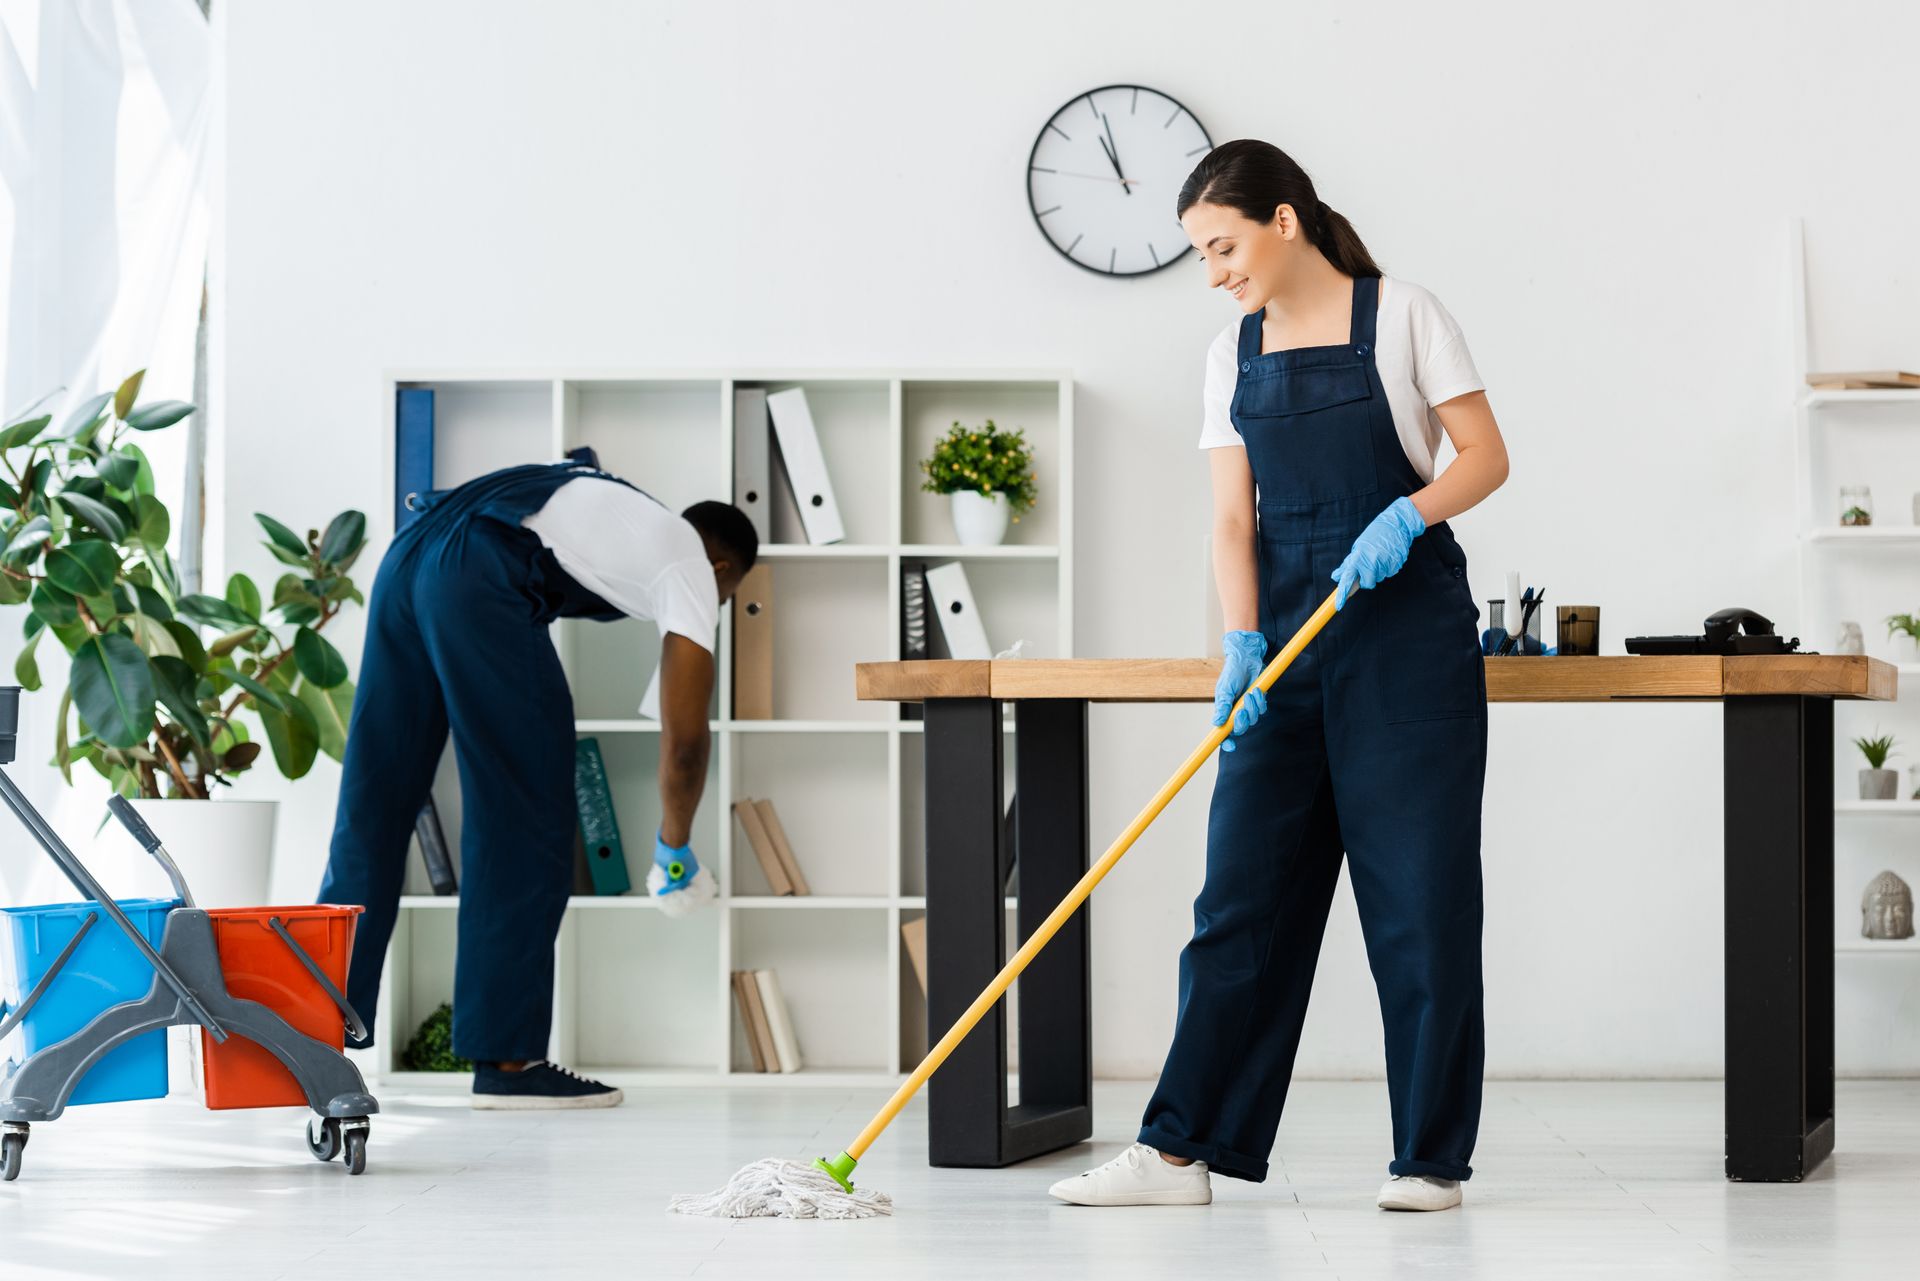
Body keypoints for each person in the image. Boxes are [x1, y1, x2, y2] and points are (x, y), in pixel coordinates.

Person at [1050, 140, 1509, 1211]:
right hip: (1287, 640)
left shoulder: (1403, 315)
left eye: (1222, 244)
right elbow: (1228, 517)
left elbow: (1484, 456)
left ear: (1284, 221)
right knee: (1239, 903)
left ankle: (1430, 1160)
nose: (1214, 270)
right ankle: (1177, 1153)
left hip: (1405, 643)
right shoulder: (1232, 352)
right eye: (1203, 254)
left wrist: (1412, 511)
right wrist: (1241, 646)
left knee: (1422, 899)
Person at [318, 458, 754, 1109]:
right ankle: (509, 1059)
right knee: (527, 806)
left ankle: (315, 1036)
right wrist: (674, 845)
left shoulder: (626, 508)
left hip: (410, 553)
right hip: (479, 572)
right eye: (727, 596)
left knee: (374, 804)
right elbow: (686, 743)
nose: (715, 606)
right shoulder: (690, 562)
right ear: (723, 572)